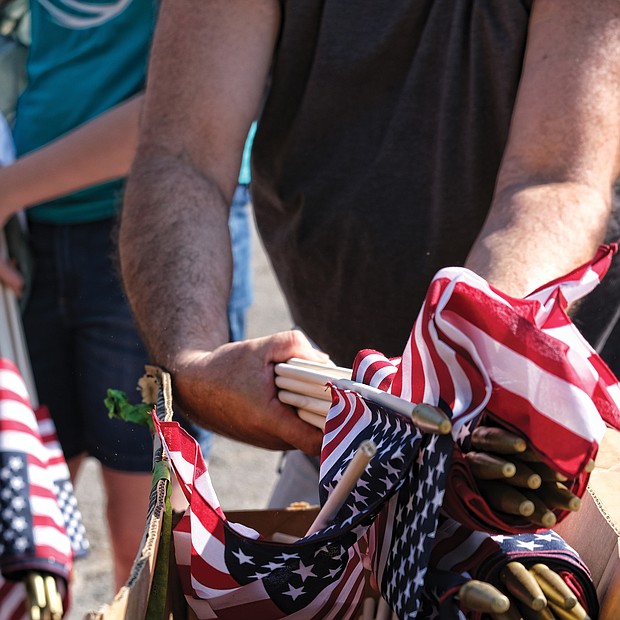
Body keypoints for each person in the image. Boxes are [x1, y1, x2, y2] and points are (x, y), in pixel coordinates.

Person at [118, 1, 620, 468]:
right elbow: (182, 157)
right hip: (345, 421)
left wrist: (447, 375)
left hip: (555, 423)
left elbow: (551, 179)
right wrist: (193, 361)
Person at [4, 0, 254, 590]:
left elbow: (189, 111)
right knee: (27, 541)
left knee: (146, 549)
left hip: (154, 234)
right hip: (25, 238)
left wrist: (4, 190)